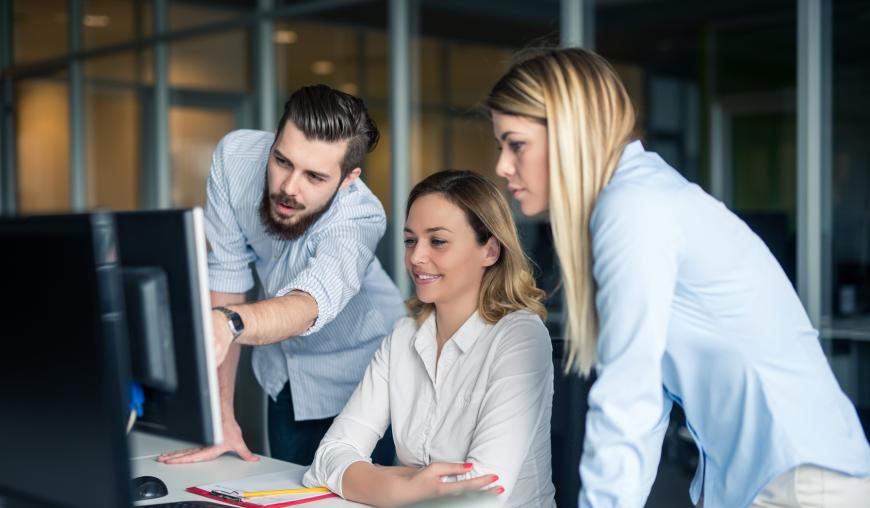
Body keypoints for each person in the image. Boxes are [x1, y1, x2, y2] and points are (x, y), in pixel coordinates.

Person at [484, 47, 870, 508]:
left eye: (517, 144)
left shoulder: (634, 208)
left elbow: (627, 398)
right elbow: (646, 406)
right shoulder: (637, 199)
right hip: (788, 479)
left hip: (803, 484)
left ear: (570, 133)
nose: (502, 166)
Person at [157, 85, 405, 467]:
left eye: (315, 177)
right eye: (282, 161)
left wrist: (231, 323)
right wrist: (221, 415)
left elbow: (307, 304)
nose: (289, 188)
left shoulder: (360, 217)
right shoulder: (234, 159)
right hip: (285, 376)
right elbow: (228, 277)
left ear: (348, 179)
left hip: (368, 377)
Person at [302, 170, 557, 507]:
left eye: (437, 241)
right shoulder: (403, 336)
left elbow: (478, 497)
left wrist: (382, 477)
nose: (416, 257)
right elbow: (328, 458)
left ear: (490, 251)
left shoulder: (521, 338)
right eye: (410, 240)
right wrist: (400, 488)